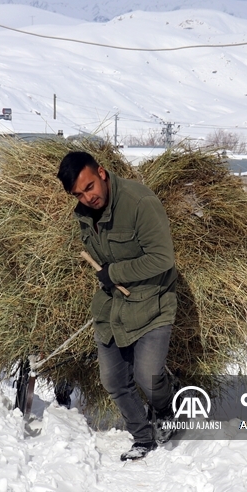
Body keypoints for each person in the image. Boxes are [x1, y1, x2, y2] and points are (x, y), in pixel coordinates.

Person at [57, 151, 179, 461]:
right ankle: (142, 437)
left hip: (152, 303)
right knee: (113, 381)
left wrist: (115, 273)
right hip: (112, 307)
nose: (88, 198)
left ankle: (166, 406)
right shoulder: (84, 214)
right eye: (79, 194)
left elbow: (163, 258)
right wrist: (108, 276)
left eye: (89, 187)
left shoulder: (139, 203)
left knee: (148, 378)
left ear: (101, 173)